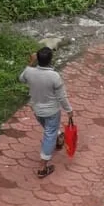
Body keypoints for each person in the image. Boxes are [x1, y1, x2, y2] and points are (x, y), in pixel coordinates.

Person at [19, 45, 74, 179]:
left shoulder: (29, 72)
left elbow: (21, 79)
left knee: (50, 129)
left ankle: (59, 136)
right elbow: (62, 96)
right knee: (49, 134)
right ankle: (43, 167)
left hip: (37, 110)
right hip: (52, 111)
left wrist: (30, 63)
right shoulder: (54, 76)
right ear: (50, 60)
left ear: (37, 58)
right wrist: (69, 110)